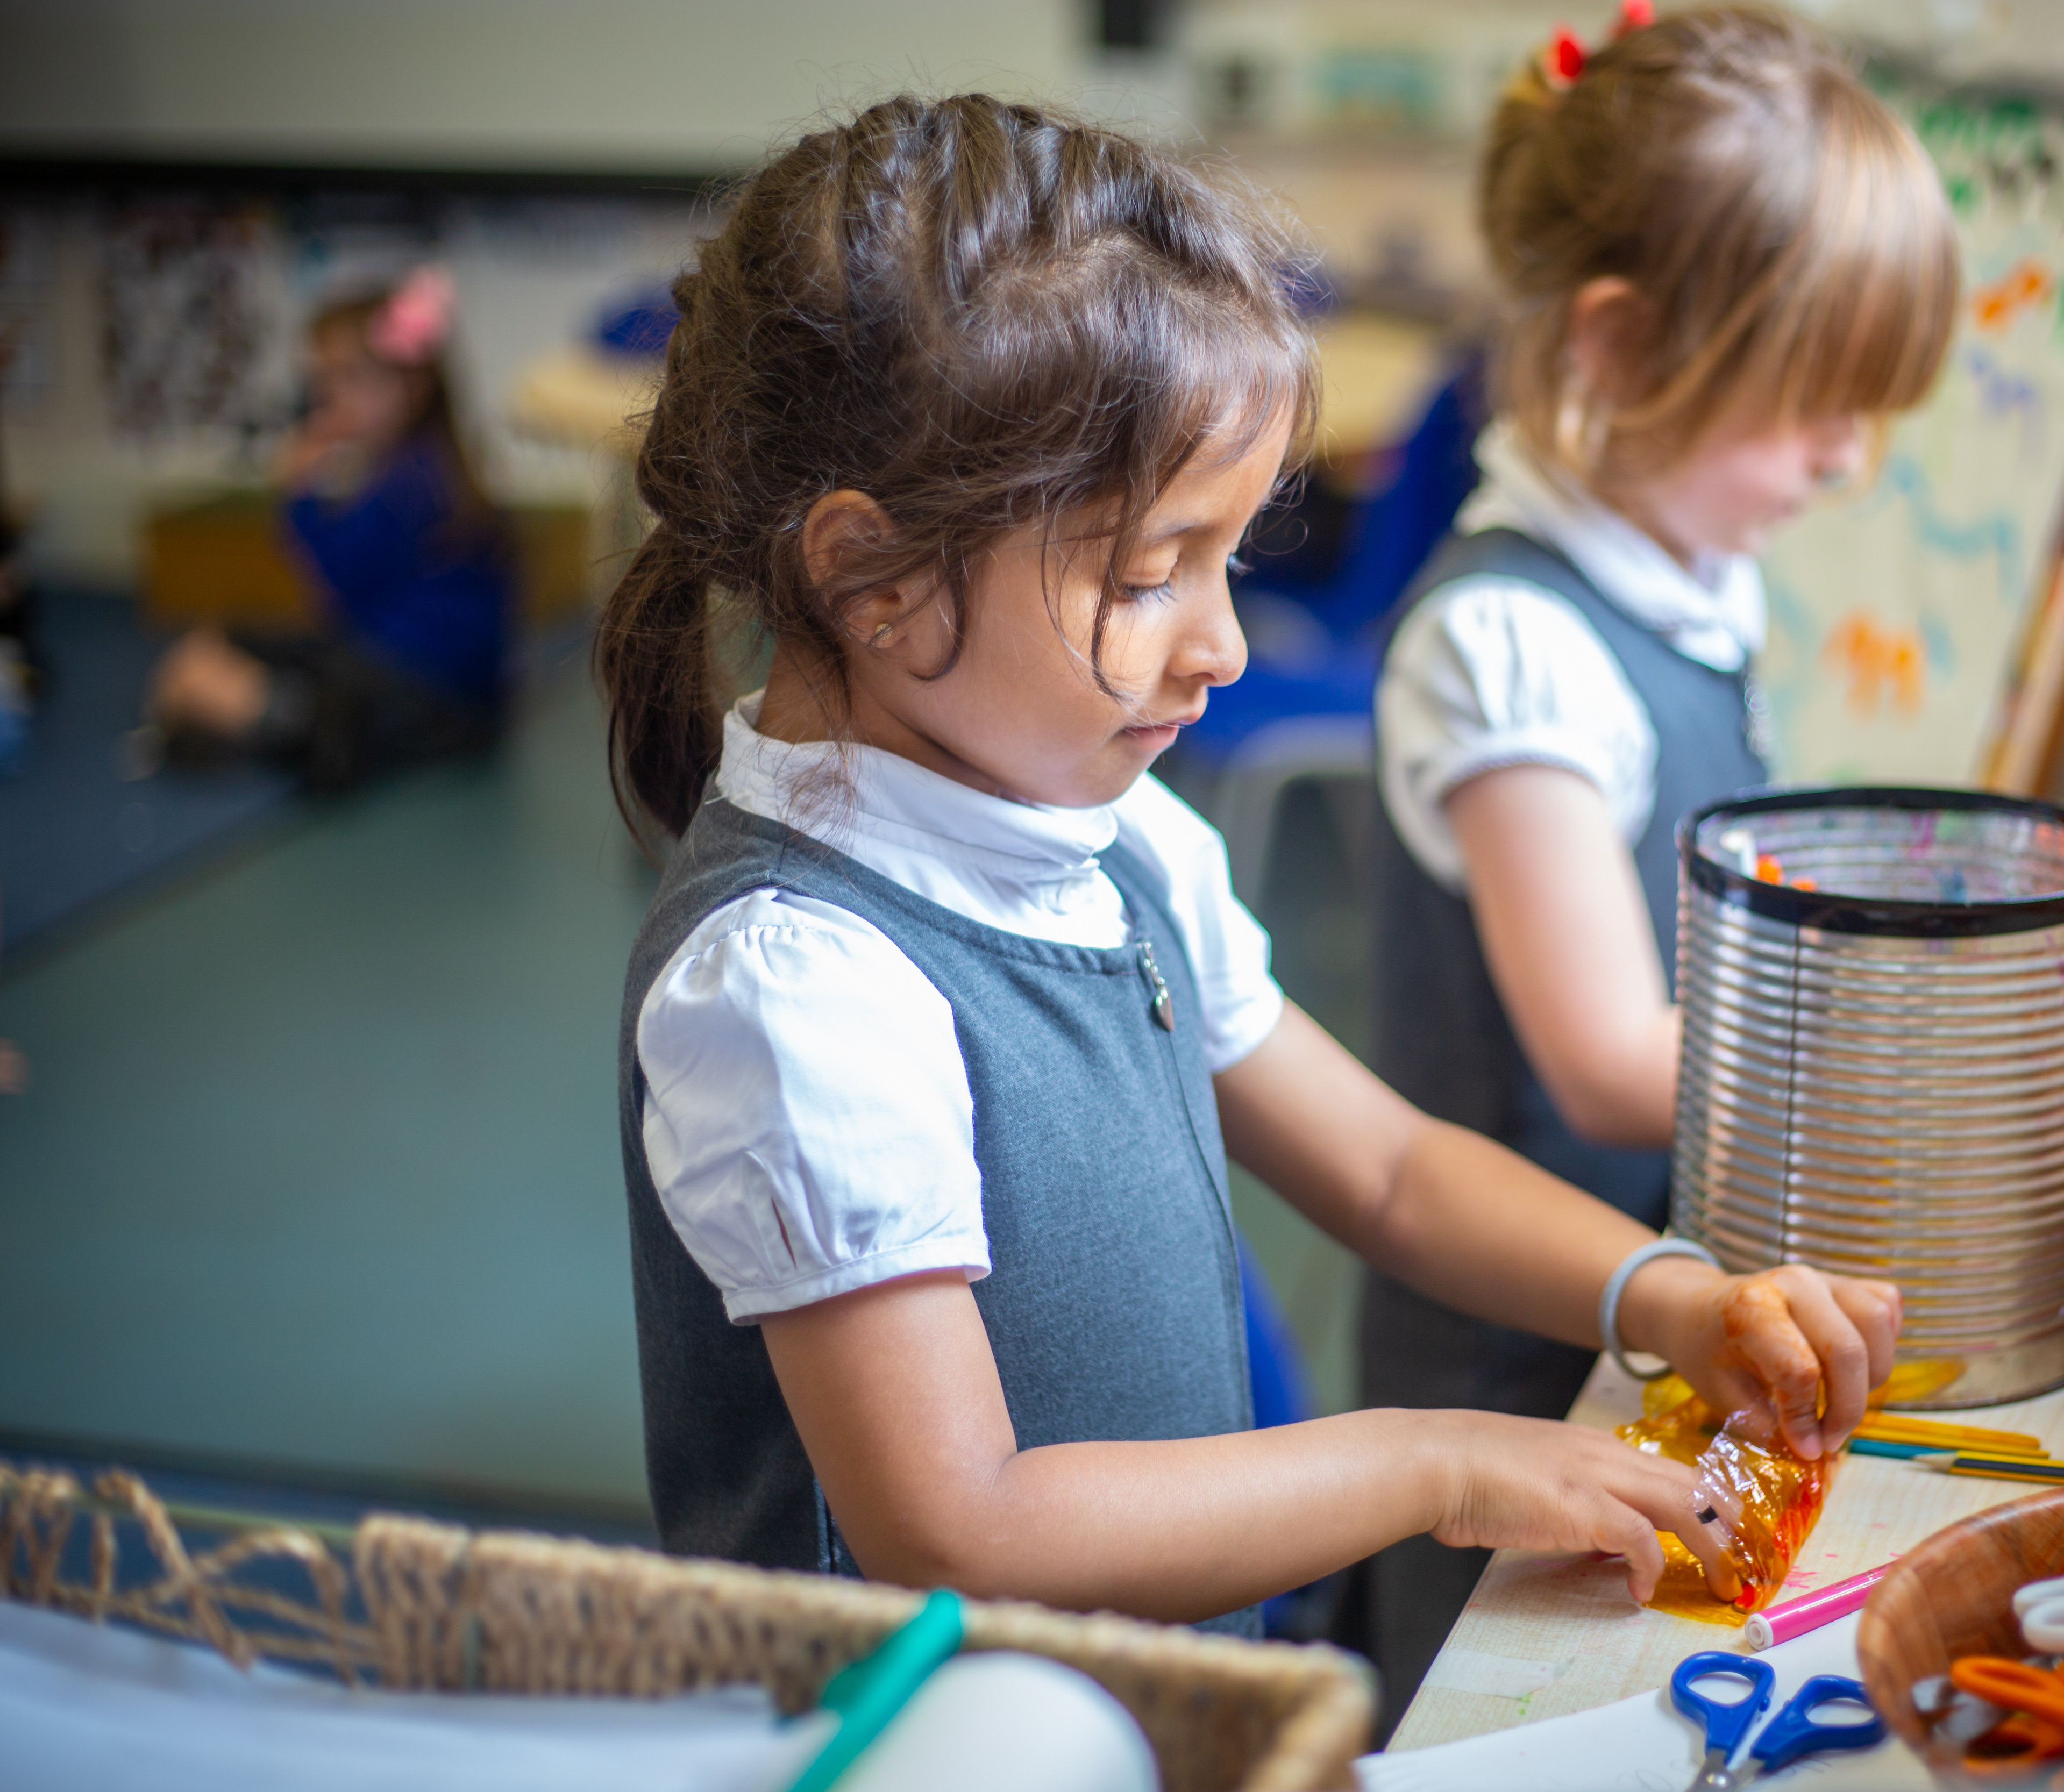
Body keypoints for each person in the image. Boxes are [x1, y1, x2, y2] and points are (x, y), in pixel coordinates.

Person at [595, 92, 1903, 1642]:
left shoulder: (1113, 832)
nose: (1218, 646)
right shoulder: (796, 986)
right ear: (867, 575)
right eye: (1149, 575)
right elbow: (962, 1523)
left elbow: (1393, 1170)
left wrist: (1675, 1296)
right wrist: (1436, 1457)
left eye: (1228, 560)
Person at [1358, 3, 2064, 1705]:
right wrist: (1986, 1075)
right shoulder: (1507, 647)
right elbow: (1600, 1061)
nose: (1847, 460)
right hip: (1525, 1378)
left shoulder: (1683, 577)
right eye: (1814, 407)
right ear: (1621, 347)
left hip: (1665, 1334)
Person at [146, 267, 510, 791]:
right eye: (322, 382)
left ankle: (280, 721)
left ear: (411, 388)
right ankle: (256, 705)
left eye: (350, 380)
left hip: (425, 697)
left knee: (216, 677)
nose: (329, 400)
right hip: (431, 684)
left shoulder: (410, 483)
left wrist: (301, 497)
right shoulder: (431, 467)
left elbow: (341, 595)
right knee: (226, 646)